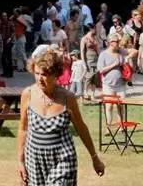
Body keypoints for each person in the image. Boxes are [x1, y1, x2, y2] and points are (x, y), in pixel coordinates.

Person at [17, 49, 105, 185]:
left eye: (45, 74)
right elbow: (23, 129)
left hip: (62, 158)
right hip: (34, 159)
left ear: (56, 74)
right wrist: (20, 161)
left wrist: (94, 157)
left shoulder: (67, 98)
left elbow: (81, 128)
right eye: (37, 73)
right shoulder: (27, 94)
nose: (40, 78)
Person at [97, 33, 138, 128]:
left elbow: (135, 51)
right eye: (116, 41)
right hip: (108, 85)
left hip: (121, 84)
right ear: (110, 43)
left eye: (118, 41)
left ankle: (121, 127)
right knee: (109, 106)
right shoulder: (103, 54)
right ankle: (108, 127)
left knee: (120, 106)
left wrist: (127, 57)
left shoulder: (120, 51)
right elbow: (101, 71)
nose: (118, 43)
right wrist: (114, 65)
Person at [80, 23, 100, 101]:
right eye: (94, 28)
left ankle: (93, 94)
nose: (95, 30)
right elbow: (82, 51)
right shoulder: (84, 39)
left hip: (96, 58)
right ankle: (85, 92)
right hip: (88, 59)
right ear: (91, 29)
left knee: (95, 77)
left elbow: (98, 49)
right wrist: (83, 62)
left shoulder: (94, 38)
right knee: (89, 76)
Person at [13, 7, 30, 72]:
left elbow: (26, 25)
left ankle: (26, 67)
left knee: (22, 53)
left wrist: (23, 32)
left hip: (21, 37)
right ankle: (15, 66)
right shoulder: (16, 18)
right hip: (17, 37)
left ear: (17, 12)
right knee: (13, 51)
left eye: (14, 12)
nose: (13, 13)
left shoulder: (20, 18)